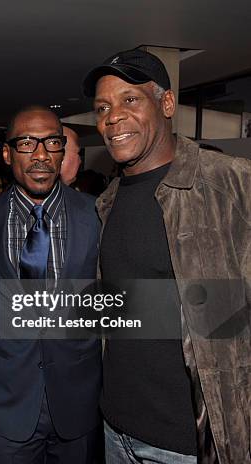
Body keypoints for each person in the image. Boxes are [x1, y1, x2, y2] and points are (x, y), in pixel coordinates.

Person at [83, 48, 251, 463]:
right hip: (116, 431)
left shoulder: (232, 184)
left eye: (130, 99)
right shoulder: (106, 202)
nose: (113, 117)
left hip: (190, 444)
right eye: (103, 107)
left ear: (167, 103)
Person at [0, 106, 102, 463]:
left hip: (79, 402)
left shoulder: (98, 215)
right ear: (8, 153)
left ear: (63, 151)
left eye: (52, 143)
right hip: (7, 402)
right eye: (27, 143)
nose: (41, 155)